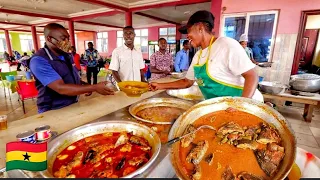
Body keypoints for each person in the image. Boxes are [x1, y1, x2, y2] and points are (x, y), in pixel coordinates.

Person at [150, 10, 263, 102]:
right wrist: (159, 85)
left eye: (189, 31)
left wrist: (243, 106)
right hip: (222, 106)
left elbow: (252, 76)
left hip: (247, 104)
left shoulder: (226, 44)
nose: (187, 35)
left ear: (200, 28)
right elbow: (187, 82)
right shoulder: (198, 55)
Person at [30, 23, 114, 113]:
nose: (67, 42)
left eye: (68, 38)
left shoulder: (66, 56)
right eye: (63, 38)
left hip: (72, 104)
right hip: (52, 110)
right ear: (50, 39)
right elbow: (60, 88)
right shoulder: (39, 61)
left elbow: (70, 78)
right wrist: (94, 87)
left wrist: (88, 86)